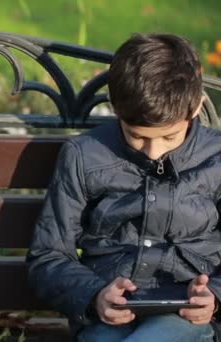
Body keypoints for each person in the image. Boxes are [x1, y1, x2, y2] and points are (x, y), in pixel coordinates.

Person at [27, 33, 220, 341]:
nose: (152, 151)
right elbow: (48, 256)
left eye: (169, 137)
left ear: (195, 107)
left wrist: (214, 295)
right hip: (107, 316)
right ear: (115, 108)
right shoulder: (84, 155)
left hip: (186, 318)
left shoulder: (217, 158)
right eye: (136, 136)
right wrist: (94, 295)